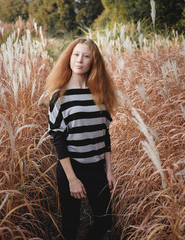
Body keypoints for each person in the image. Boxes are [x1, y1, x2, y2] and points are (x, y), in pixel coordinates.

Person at [45, 38, 118, 240]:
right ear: (69, 57)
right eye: (76, 54)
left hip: (96, 167)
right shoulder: (58, 96)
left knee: (104, 221)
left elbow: (105, 134)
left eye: (86, 56)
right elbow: (58, 139)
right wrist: (72, 179)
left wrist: (109, 171)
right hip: (71, 168)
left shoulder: (100, 95)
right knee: (70, 225)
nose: (80, 60)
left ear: (93, 62)